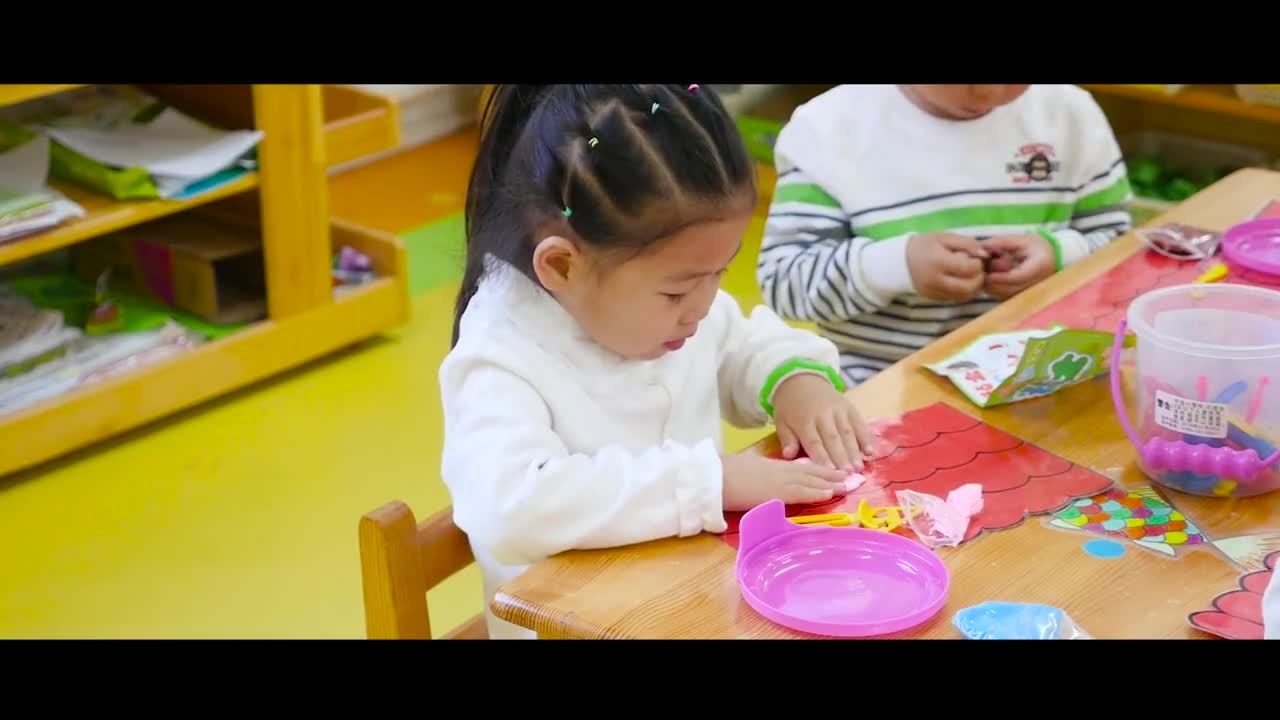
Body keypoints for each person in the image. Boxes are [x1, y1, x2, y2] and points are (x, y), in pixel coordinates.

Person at [439, 84, 874, 639]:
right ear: (562, 267)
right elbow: (512, 509)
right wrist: (710, 484)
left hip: (691, 599)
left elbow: (738, 344)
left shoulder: (670, 306)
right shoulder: (501, 356)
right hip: (578, 625)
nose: (703, 306)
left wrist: (795, 379)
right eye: (678, 292)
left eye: (720, 273)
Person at [757, 84, 1133, 386]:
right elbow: (785, 284)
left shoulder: (1071, 115)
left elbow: (1122, 255)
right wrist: (896, 266)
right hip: (884, 387)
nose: (989, 93)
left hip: (1043, 378)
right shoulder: (829, 129)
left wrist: (1060, 255)